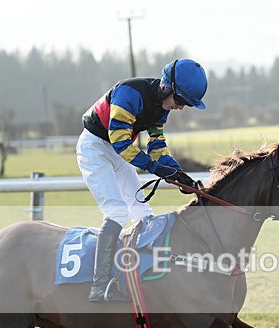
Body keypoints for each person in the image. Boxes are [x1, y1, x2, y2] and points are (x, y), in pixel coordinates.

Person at [77, 58, 207, 302]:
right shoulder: (129, 94)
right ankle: (100, 286)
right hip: (95, 148)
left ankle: (136, 274)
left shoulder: (162, 108)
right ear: (167, 88)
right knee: (116, 212)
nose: (180, 108)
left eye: (186, 105)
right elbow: (122, 144)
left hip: (116, 152)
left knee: (142, 213)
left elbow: (157, 145)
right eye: (180, 101)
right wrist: (156, 169)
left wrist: (177, 173)